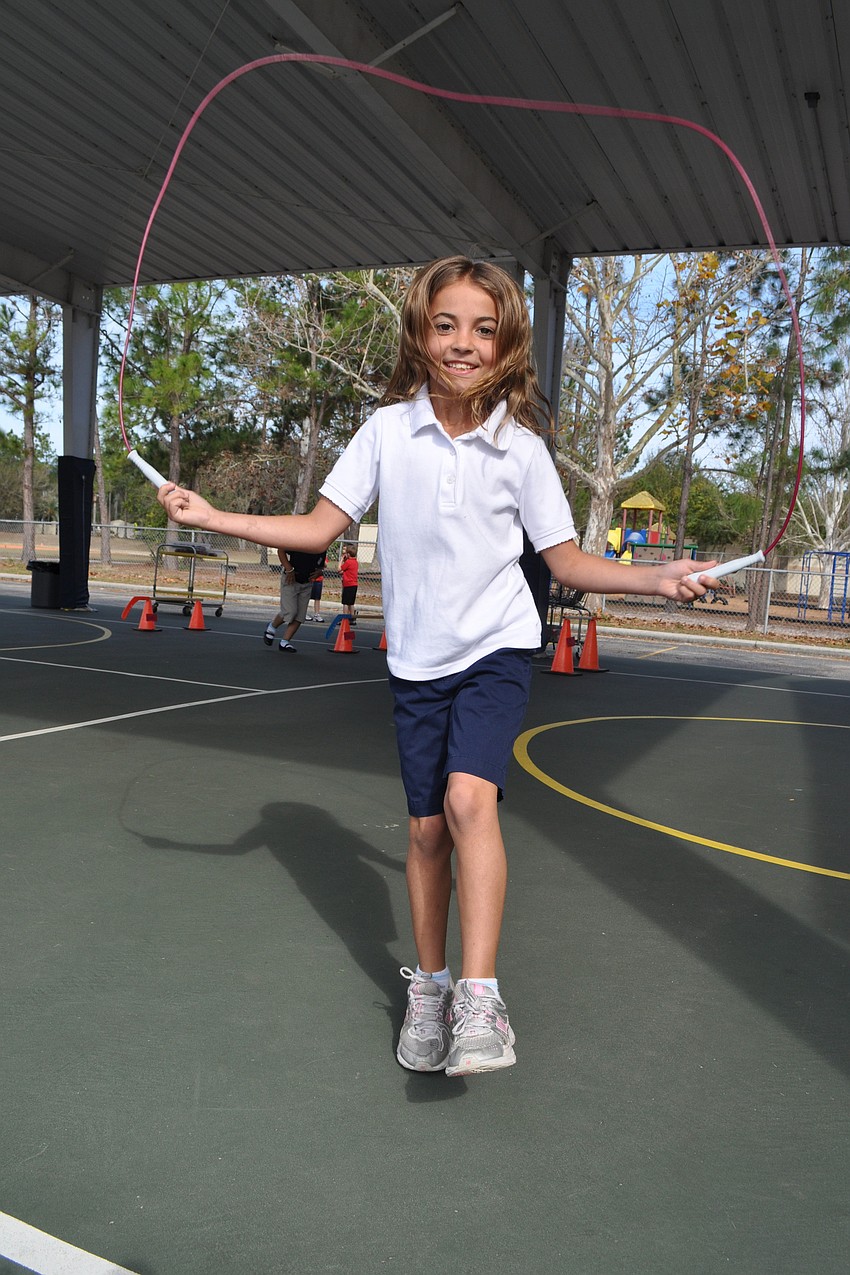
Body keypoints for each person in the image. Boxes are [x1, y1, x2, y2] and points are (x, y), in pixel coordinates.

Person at [159, 255, 718, 1078]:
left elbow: (564, 560)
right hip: (416, 659)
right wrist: (212, 515)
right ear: (420, 333)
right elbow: (317, 529)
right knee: (425, 832)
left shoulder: (524, 451)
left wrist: (654, 576)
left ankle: (481, 999)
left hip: (496, 645)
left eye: (483, 329)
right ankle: (430, 986)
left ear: (508, 346)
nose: (463, 343)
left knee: (468, 800)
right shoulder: (386, 431)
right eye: (446, 324)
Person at [263, 547, 326, 652]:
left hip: (307, 583)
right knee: (289, 612)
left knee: (300, 616)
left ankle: (285, 642)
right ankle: (271, 627)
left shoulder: (321, 547)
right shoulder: (299, 542)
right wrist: (289, 568)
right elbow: (281, 550)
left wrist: (320, 572)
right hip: (291, 580)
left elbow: (320, 566)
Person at [339, 545, 359, 625]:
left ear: (348, 554)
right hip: (354, 584)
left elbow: (339, 569)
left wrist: (341, 560)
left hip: (348, 584)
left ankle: (344, 618)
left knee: (345, 603)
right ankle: (352, 618)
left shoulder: (348, 562)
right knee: (351, 603)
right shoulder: (355, 562)